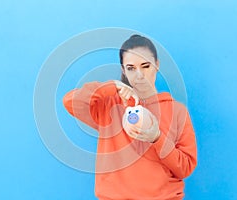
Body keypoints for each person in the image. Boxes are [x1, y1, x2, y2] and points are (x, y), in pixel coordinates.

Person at [63, 34, 197, 200]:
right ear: (123, 70)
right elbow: (70, 102)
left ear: (157, 65)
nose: (139, 75)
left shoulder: (177, 111)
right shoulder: (108, 105)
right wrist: (110, 87)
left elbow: (185, 167)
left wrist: (157, 138)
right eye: (131, 68)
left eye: (145, 66)